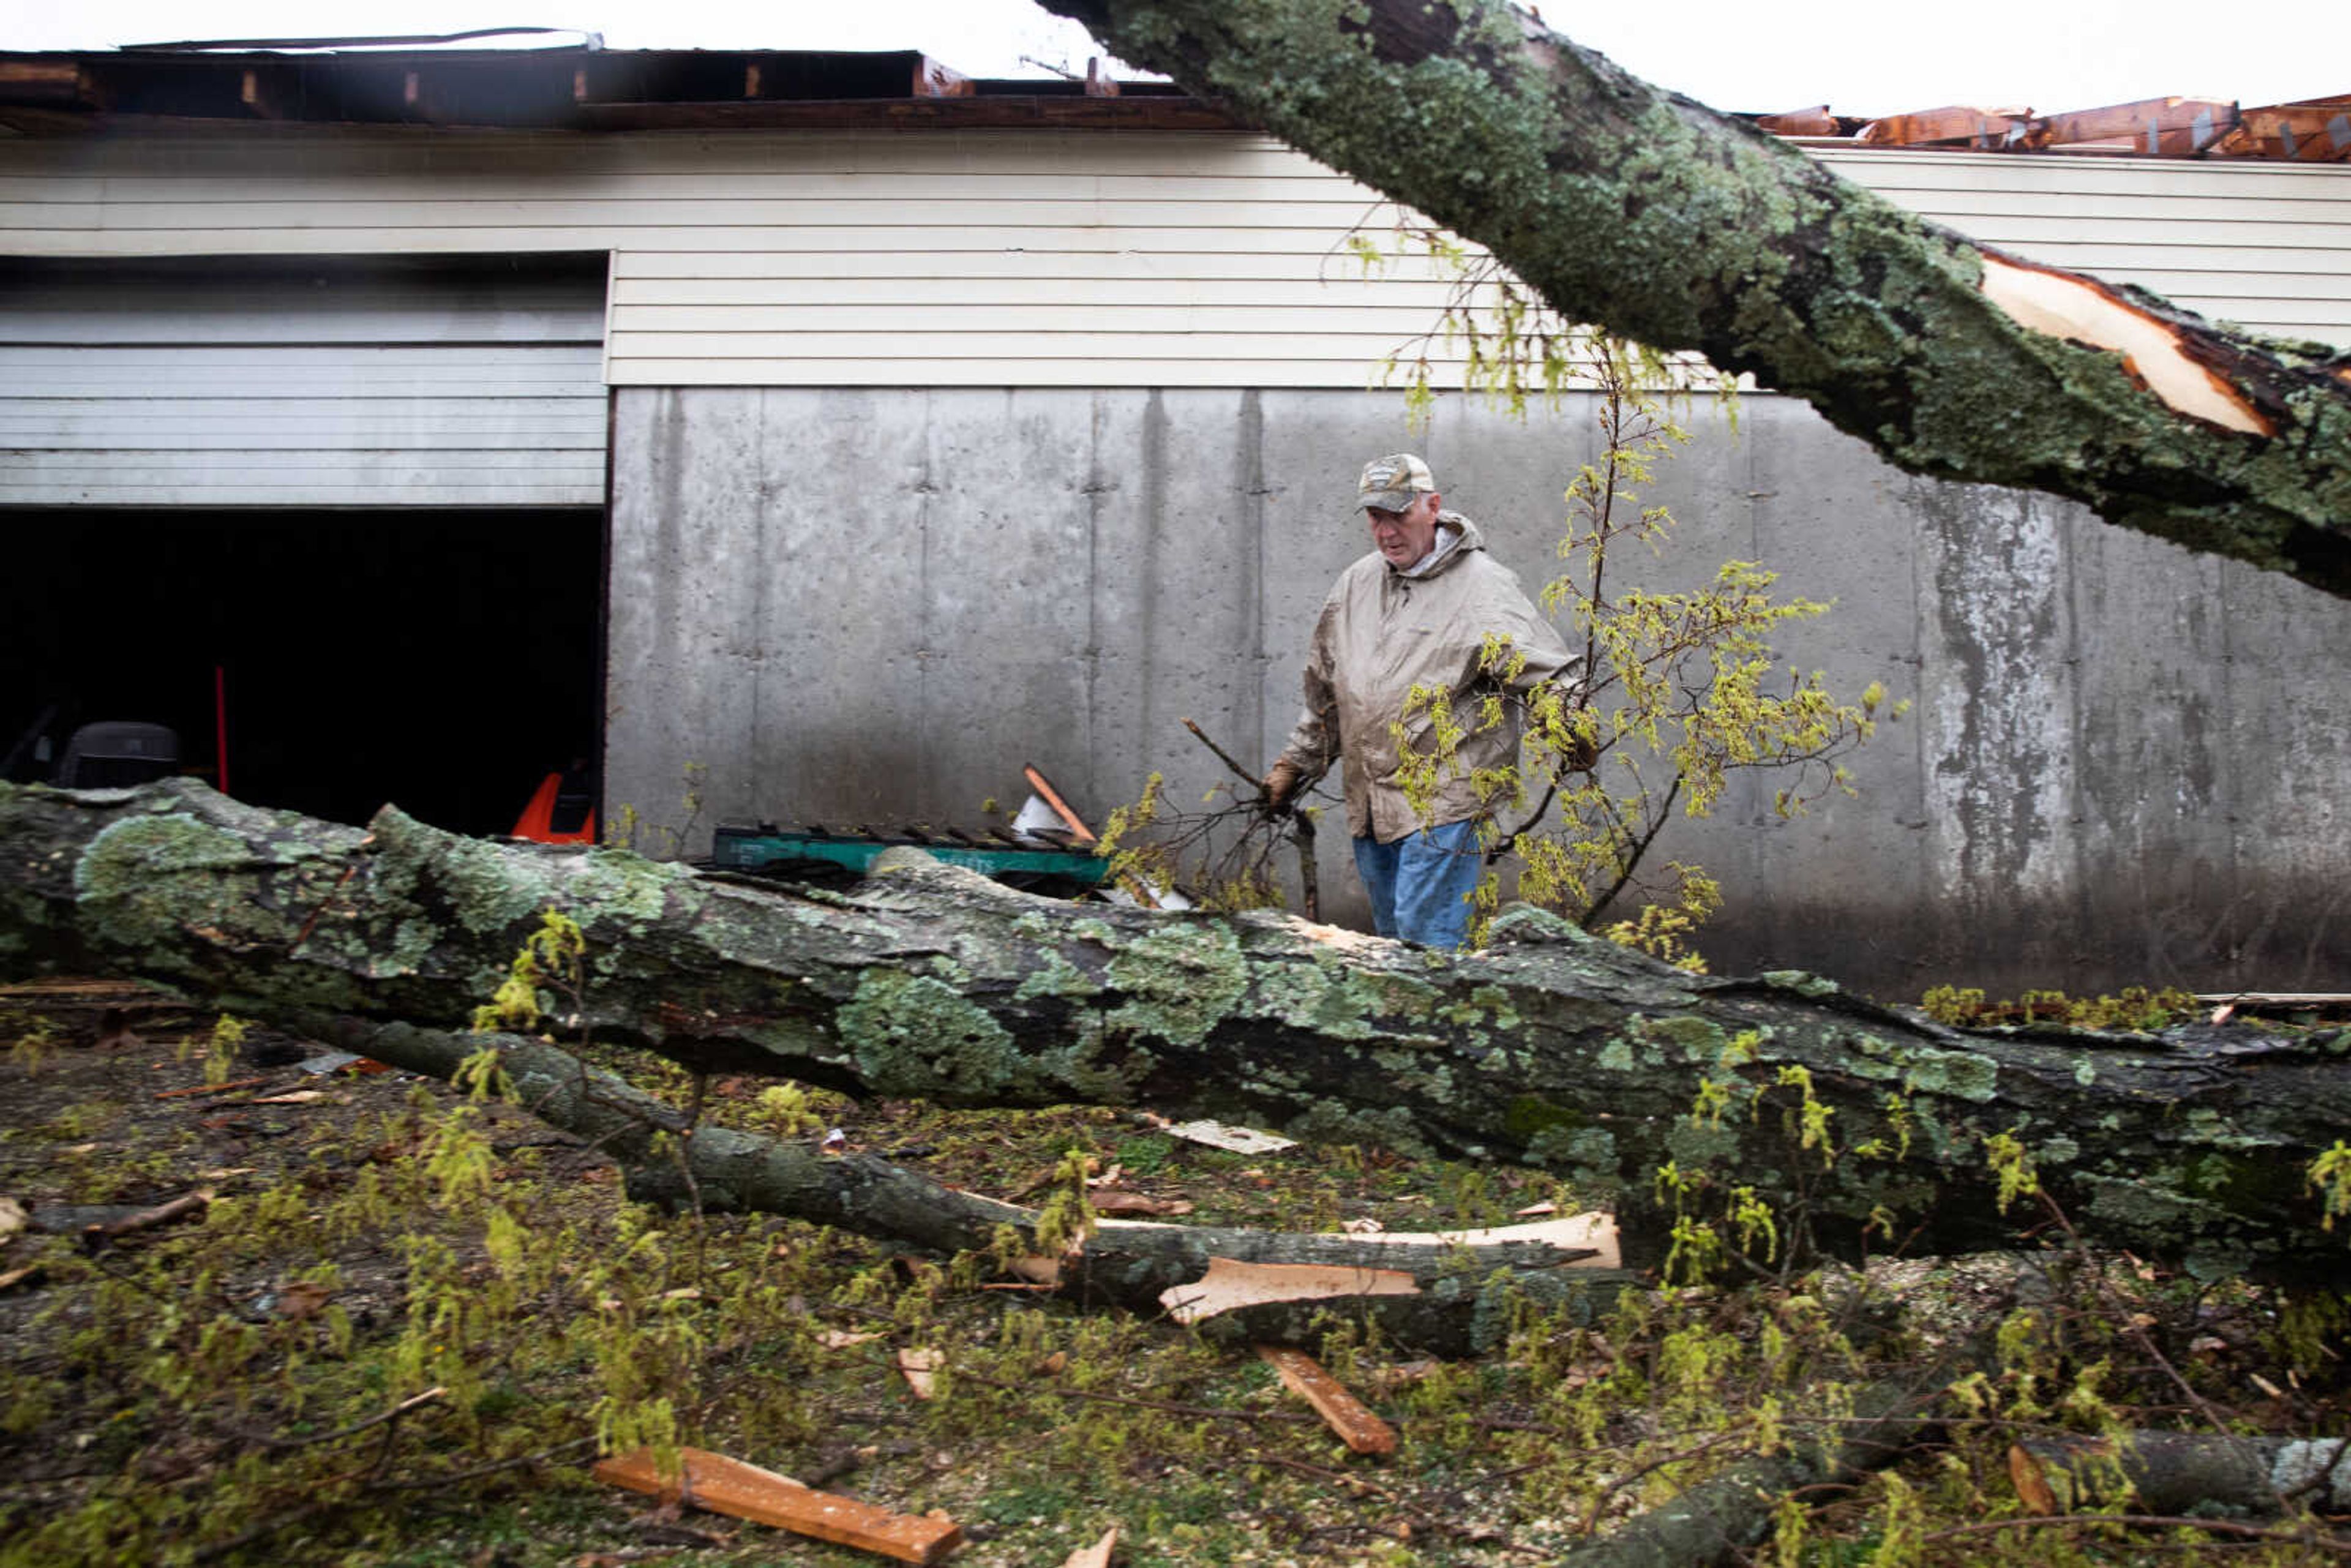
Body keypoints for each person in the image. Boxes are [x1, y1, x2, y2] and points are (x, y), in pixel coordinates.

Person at [1262, 454, 1583, 949]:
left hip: (1446, 801)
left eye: (1398, 514)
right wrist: (1295, 765)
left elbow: (1548, 670)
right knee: (1394, 943)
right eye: (1375, 516)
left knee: (1425, 943)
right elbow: (1328, 692)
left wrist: (1571, 727)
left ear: (1432, 507)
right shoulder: (1356, 584)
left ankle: (1436, 1023)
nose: (1386, 530)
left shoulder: (1482, 587)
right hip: (1371, 801)